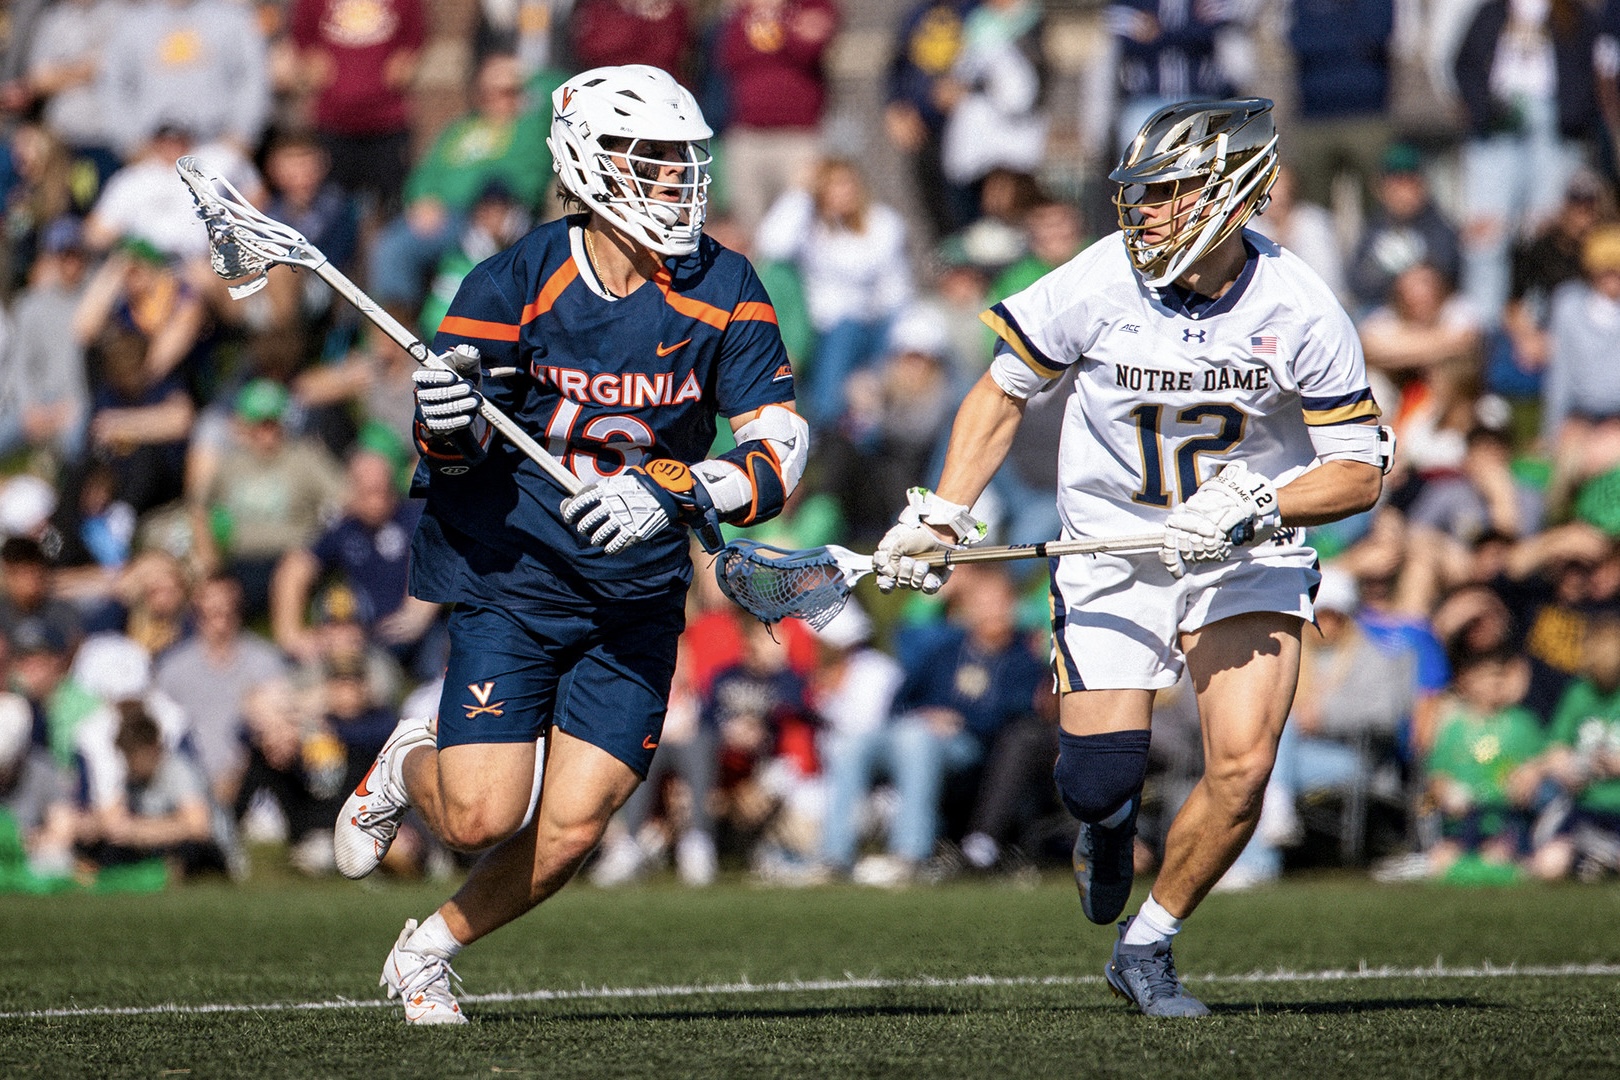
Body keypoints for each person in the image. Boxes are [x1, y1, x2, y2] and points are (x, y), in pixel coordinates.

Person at [872, 99, 1388, 1016]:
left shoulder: (1301, 305)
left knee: (1243, 766)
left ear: (1232, 194)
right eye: (1140, 193)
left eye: (1167, 192)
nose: (1143, 212)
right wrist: (943, 516)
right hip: (1112, 547)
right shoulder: (1100, 277)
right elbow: (1001, 391)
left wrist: (1257, 503)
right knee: (1096, 778)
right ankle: (1105, 825)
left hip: (1242, 550)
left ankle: (1148, 945)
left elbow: (1359, 468)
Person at [330, 64, 806, 1025]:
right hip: (521, 578)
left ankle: (427, 952)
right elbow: (451, 454)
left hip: (638, 592)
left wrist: (673, 489)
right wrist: (446, 422)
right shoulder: (513, 280)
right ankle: (408, 761)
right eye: (654, 160)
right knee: (479, 817)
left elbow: (780, 450)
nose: (679, 181)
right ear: (590, 164)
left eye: (684, 161)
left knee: (574, 826)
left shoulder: (726, 285)